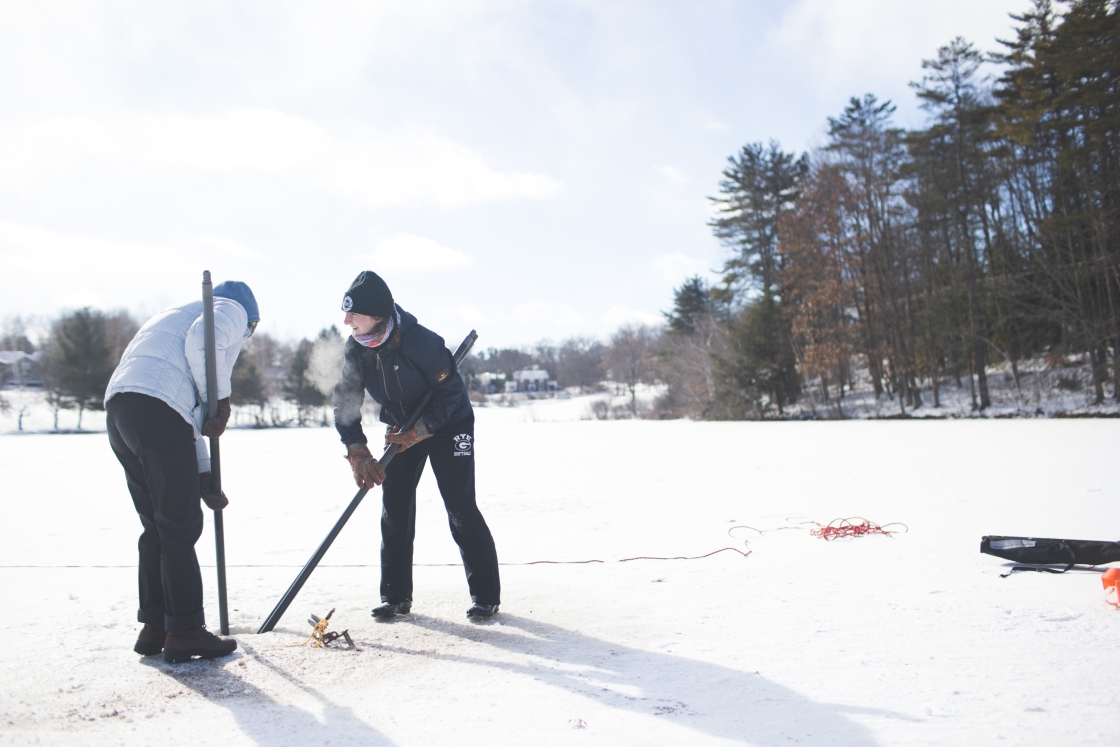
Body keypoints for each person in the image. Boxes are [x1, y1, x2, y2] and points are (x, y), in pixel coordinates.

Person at [104, 281, 259, 663]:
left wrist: (203, 475)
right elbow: (204, 347)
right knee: (179, 525)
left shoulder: (169, 318)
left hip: (122, 410)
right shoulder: (229, 309)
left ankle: (157, 624)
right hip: (155, 411)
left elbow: (184, 415)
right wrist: (221, 401)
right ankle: (186, 631)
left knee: (156, 525)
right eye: (249, 333)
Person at [333, 270, 501, 620]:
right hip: (399, 429)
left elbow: (451, 393)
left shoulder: (419, 341)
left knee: (459, 506)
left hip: (448, 423)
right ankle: (395, 596)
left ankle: (485, 594)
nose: (346, 320)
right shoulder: (356, 350)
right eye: (346, 312)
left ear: (378, 315)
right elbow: (345, 402)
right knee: (394, 507)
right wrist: (356, 449)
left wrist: (421, 430)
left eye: (354, 314)